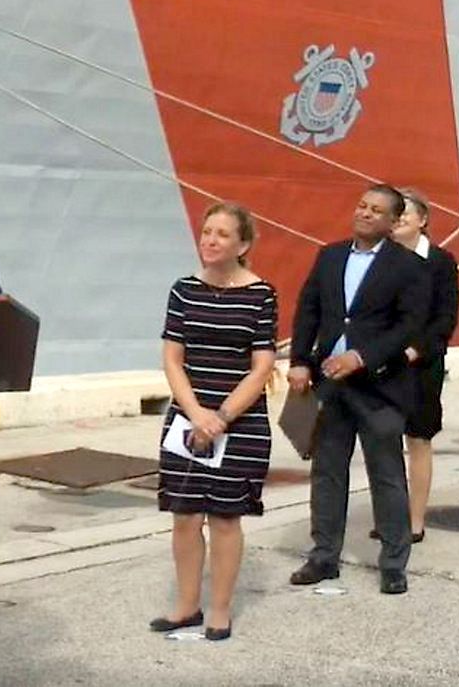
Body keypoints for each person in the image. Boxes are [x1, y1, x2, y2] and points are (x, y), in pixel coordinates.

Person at [287, 183, 429, 595]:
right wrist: (299, 360)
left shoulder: (407, 266)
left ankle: (393, 561)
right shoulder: (329, 256)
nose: (365, 213)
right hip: (331, 385)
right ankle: (324, 555)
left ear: (391, 222)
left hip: (379, 386)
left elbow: (409, 324)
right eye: (362, 206)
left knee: (386, 474)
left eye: (376, 210)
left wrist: (363, 356)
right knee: (328, 472)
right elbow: (309, 308)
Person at [152, 202, 277, 642]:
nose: (210, 240)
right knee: (184, 516)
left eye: (222, 234)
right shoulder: (183, 290)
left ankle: (220, 609)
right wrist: (196, 413)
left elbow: (262, 366)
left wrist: (222, 416)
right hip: (188, 420)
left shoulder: (262, 294)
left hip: (239, 423)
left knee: (225, 517)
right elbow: (172, 357)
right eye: (207, 232)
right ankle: (187, 605)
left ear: (242, 244)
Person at [366, 188, 458, 543]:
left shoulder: (440, 261)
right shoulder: (377, 260)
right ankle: (389, 516)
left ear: (423, 220)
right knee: (382, 440)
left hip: (422, 364)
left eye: (407, 214)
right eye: (396, 213)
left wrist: (415, 351)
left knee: (418, 439)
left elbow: (445, 318)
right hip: (381, 364)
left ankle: (415, 520)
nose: (400, 218)